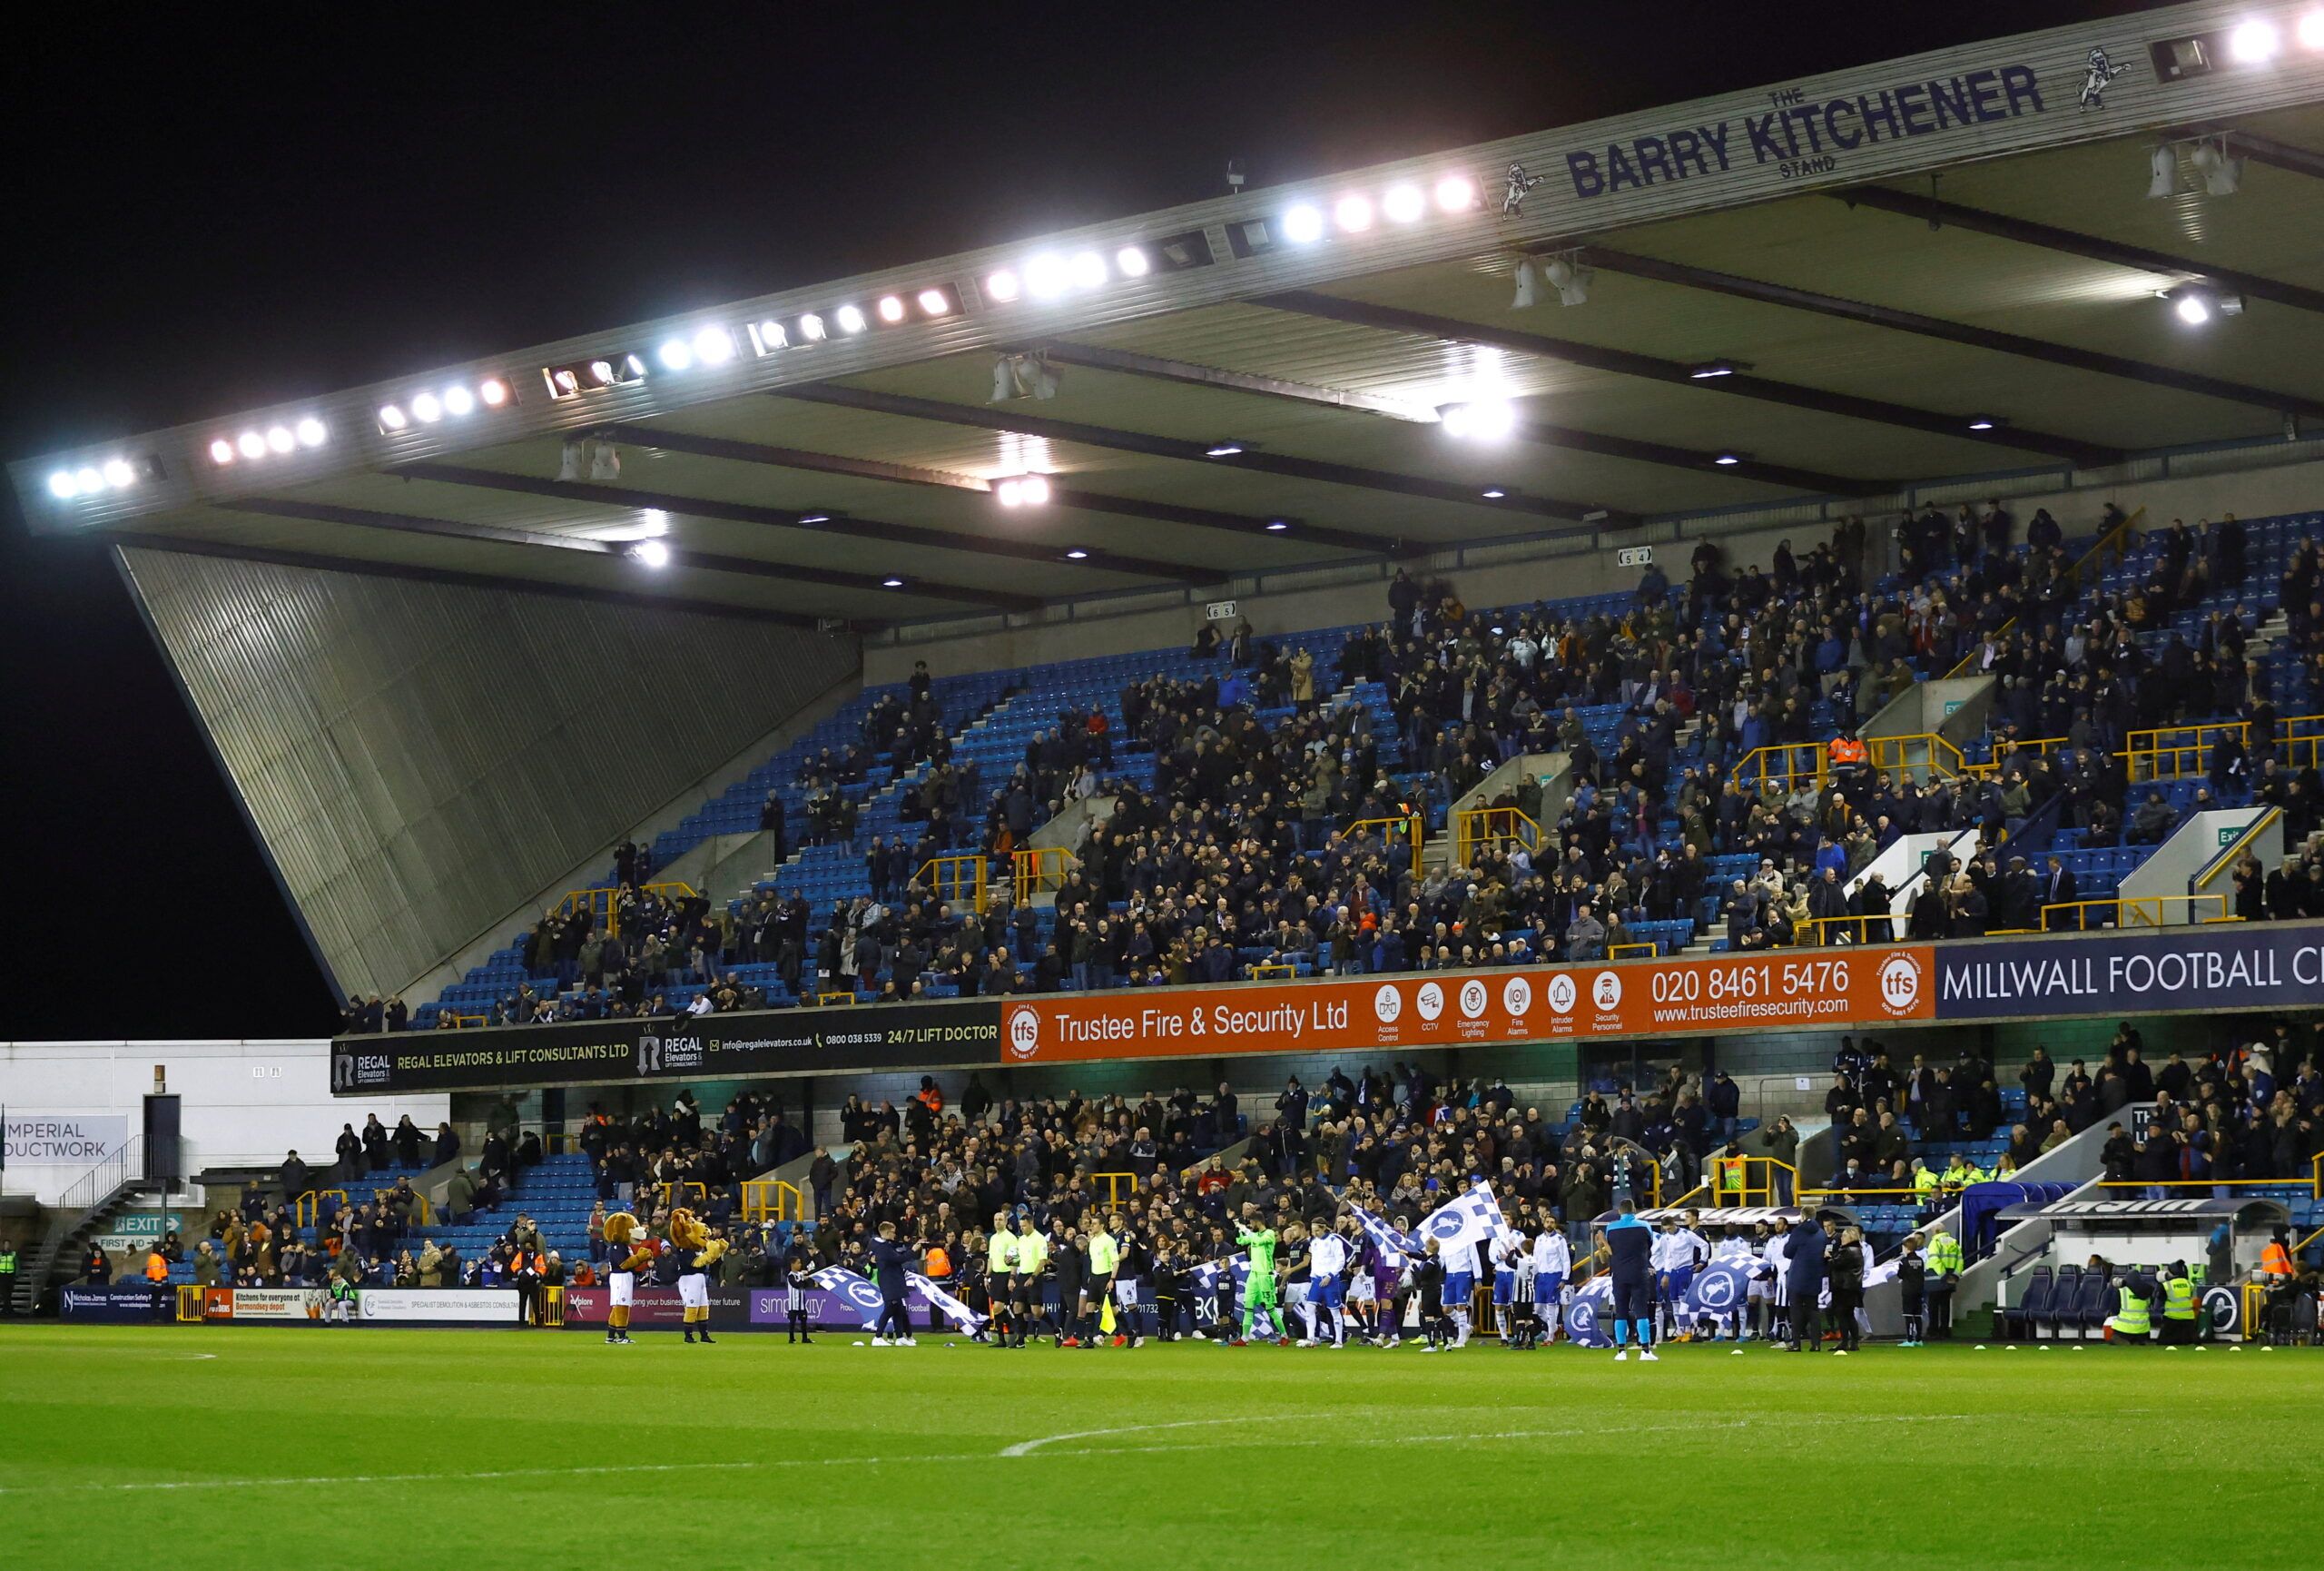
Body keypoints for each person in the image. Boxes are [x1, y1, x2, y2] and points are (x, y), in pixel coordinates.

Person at [1603, 1200, 1658, 1362]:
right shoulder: (1644, 1225)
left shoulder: (1611, 1227)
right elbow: (1650, 1245)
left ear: (1620, 1211)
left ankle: (1621, 1351)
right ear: (1634, 1210)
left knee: (1621, 1312)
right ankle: (1645, 1350)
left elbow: (1611, 1249)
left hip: (1619, 1274)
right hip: (1639, 1272)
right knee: (1641, 1312)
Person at [1235, 1204, 1282, 1345]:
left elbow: (1258, 1241)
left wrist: (1246, 1230)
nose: (1250, 1225)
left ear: (1257, 1222)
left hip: (1265, 1275)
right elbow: (1241, 1241)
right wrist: (1239, 1229)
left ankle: (1284, 1335)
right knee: (1248, 1305)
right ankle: (1244, 1338)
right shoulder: (1254, 1235)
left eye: (1251, 1222)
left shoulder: (1269, 1234)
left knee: (1270, 1308)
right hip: (1253, 1275)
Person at [601, 1210, 649, 1346]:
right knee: (622, 1306)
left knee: (618, 1306)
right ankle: (621, 1336)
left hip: (623, 1277)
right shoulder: (617, 1246)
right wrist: (639, 1258)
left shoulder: (623, 1245)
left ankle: (611, 1336)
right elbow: (623, 1264)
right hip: (620, 1277)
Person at [1781, 1210, 1827, 1352]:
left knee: (1796, 1311)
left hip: (1798, 1275)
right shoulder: (1821, 1233)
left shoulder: (1798, 1231)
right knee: (1813, 1311)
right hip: (1814, 1275)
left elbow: (1787, 1252)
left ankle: (1796, 1344)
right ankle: (1816, 1344)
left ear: (1802, 1216)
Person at [867, 1220, 915, 1347]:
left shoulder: (881, 1245)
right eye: (893, 1232)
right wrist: (913, 1250)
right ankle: (877, 1337)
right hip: (889, 1281)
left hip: (893, 1279)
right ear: (887, 1232)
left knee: (898, 1309)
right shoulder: (883, 1247)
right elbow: (899, 1259)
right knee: (890, 1308)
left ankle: (900, 1337)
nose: (895, 1235)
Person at [1305, 1219, 1349, 1348]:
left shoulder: (1334, 1241)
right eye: (1313, 1231)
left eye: (1317, 1230)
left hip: (1330, 1280)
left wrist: (1330, 1275)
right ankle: (1311, 1338)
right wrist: (1313, 1276)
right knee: (1310, 1307)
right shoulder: (1314, 1242)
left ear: (1324, 1228)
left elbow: (1341, 1260)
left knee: (1334, 1311)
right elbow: (1315, 1261)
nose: (1315, 1233)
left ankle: (1339, 1341)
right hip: (1317, 1279)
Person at [1826, 1224, 1866, 1353]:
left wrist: (1828, 1257)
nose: (1841, 1238)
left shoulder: (1848, 1250)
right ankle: (1854, 1342)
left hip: (1843, 1287)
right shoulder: (1857, 1249)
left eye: (1844, 1235)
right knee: (1849, 1315)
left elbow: (1836, 1264)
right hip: (1852, 1287)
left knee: (1842, 1315)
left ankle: (1844, 1342)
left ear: (1850, 1237)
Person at [1530, 1222, 1571, 1347]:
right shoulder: (1539, 1239)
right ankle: (1555, 1327)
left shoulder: (1559, 1239)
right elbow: (1535, 1258)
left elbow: (1565, 1259)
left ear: (1554, 1224)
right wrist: (1532, 1276)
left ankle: (1550, 1337)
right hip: (1541, 1277)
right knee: (1538, 1309)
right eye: (1548, 1222)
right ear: (1544, 1224)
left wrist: (1564, 1278)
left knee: (1551, 1307)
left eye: (1552, 1222)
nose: (1549, 1224)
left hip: (1554, 1275)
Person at [984, 1211, 1019, 1349]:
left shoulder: (1010, 1238)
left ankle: (1013, 1329)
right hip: (996, 1275)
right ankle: (1002, 1338)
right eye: (996, 1219)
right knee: (996, 1309)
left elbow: (1014, 1260)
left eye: (1000, 1219)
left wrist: (1012, 1278)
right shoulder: (993, 1238)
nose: (998, 1222)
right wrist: (987, 1275)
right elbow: (991, 1259)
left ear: (1005, 1222)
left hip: (1005, 1274)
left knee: (998, 1306)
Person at [1924, 1227, 1964, 1339]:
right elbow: (1960, 1260)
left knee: (1933, 1306)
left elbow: (1934, 1260)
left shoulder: (1935, 1243)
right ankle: (1945, 1330)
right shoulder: (1954, 1243)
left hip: (1936, 1279)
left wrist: (1943, 1275)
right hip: (1951, 1279)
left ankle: (1933, 1330)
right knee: (1945, 1305)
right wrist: (1955, 1274)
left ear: (1936, 1231)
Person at [1896, 1234, 1927, 1348]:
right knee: (1918, 1315)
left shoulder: (1904, 1261)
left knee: (1908, 1315)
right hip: (1919, 1290)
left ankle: (1909, 1340)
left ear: (1907, 1248)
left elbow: (1900, 1275)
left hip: (1908, 1290)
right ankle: (1919, 1339)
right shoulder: (1920, 1260)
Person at [2159, 1261, 2199, 1345]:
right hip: (2188, 1319)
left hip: (2171, 1318)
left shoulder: (2167, 1285)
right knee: (2190, 1343)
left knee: (2162, 1345)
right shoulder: (2189, 1284)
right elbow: (2193, 1298)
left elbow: (2159, 1300)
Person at [783, 1251, 815, 1345]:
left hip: (802, 1304)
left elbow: (805, 1285)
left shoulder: (800, 1274)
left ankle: (804, 1338)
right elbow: (797, 1285)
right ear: (792, 1264)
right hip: (793, 1304)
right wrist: (803, 1280)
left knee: (804, 1322)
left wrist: (805, 1278)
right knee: (792, 1322)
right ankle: (791, 1338)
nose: (800, 1264)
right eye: (798, 1263)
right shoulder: (790, 1276)